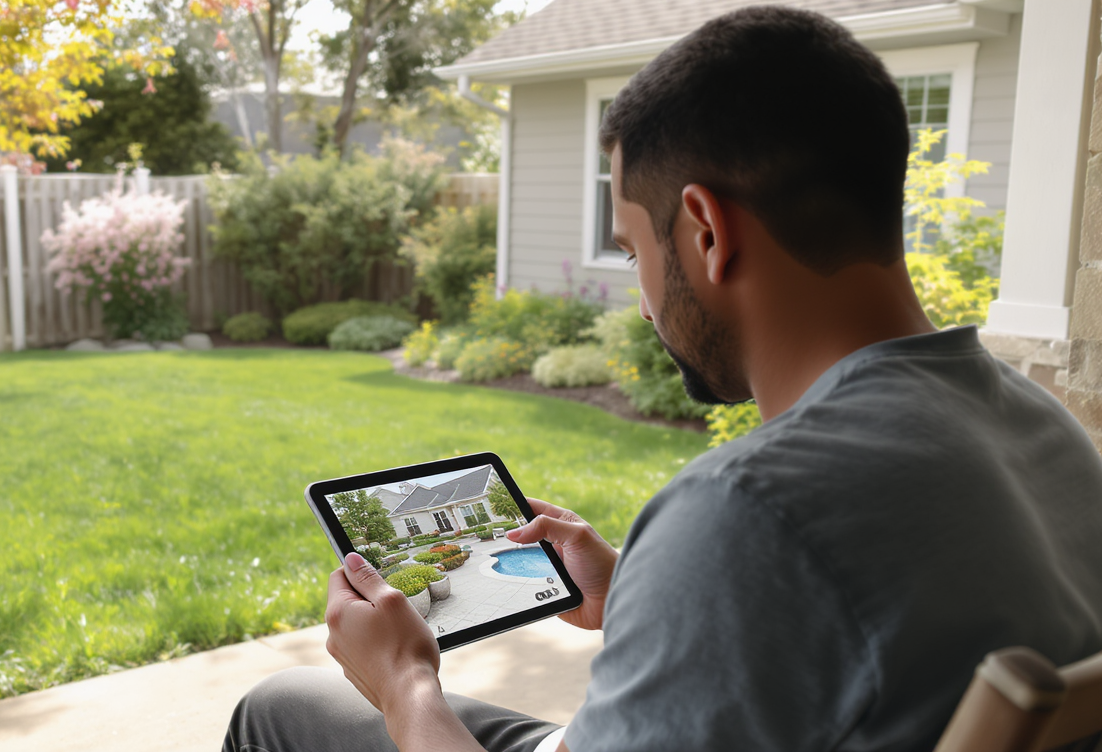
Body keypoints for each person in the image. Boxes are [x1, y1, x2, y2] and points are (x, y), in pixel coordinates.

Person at [224, 6, 1102, 751]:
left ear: (706, 231)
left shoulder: (750, 511)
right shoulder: (1042, 425)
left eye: (634, 249)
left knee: (281, 709)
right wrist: (650, 590)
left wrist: (406, 681)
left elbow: (781, 561)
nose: (643, 300)